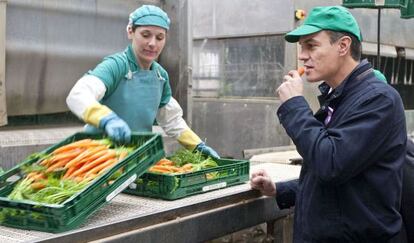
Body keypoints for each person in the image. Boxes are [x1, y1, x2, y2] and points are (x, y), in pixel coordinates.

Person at [250, 5, 407, 242]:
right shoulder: (339, 97)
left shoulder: (378, 99)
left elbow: (330, 163)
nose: (302, 55)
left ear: (343, 46)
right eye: (301, 47)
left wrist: (294, 105)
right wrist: (279, 189)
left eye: (311, 45)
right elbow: (340, 180)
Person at [66, 5, 219, 158]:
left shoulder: (160, 76)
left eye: (160, 37)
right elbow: (78, 95)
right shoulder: (117, 65)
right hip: (95, 159)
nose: (153, 43)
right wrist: (106, 119)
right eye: (146, 35)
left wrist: (196, 145)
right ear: (130, 31)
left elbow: (171, 120)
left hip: (134, 159)